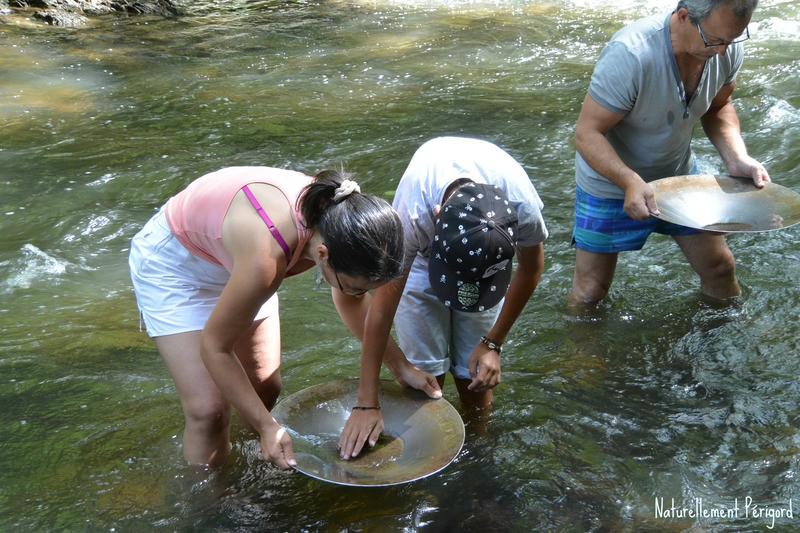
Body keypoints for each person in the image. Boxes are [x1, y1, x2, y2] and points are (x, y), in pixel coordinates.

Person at [129, 166, 404, 469]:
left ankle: (254, 459)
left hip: (238, 256)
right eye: (354, 288)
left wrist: (400, 365)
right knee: (209, 412)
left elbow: (351, 302)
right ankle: (211, 506)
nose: (356, 294)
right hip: (177, 264)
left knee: (265, 385)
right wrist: (267, 426)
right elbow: (216, 347)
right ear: (323, 255)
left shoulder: (345, 225)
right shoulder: (267, 259)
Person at [338, 137, 548, 460]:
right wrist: (367, 402)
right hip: (425, 258)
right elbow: (379, 315)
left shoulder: (520, 207)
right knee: (424, 376)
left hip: (484, 262)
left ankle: (478, 450)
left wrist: (494, 344)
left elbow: (532, 268)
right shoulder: (412, 217)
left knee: (476, 374)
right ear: (438, 215)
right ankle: (426, 456)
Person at [568, 0, 770, 306]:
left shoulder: (724, 47)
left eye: (733, 40)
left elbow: (719, 107)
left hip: (679, 175)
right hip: (610, 184)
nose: (723, 52)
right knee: (590, 292)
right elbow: (586, 134)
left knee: (720, 269)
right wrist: (628, 181)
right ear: (684, 17)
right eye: (715, 40)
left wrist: (736, 156)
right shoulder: (632, 53)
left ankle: (715, 345)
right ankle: (581, 355)